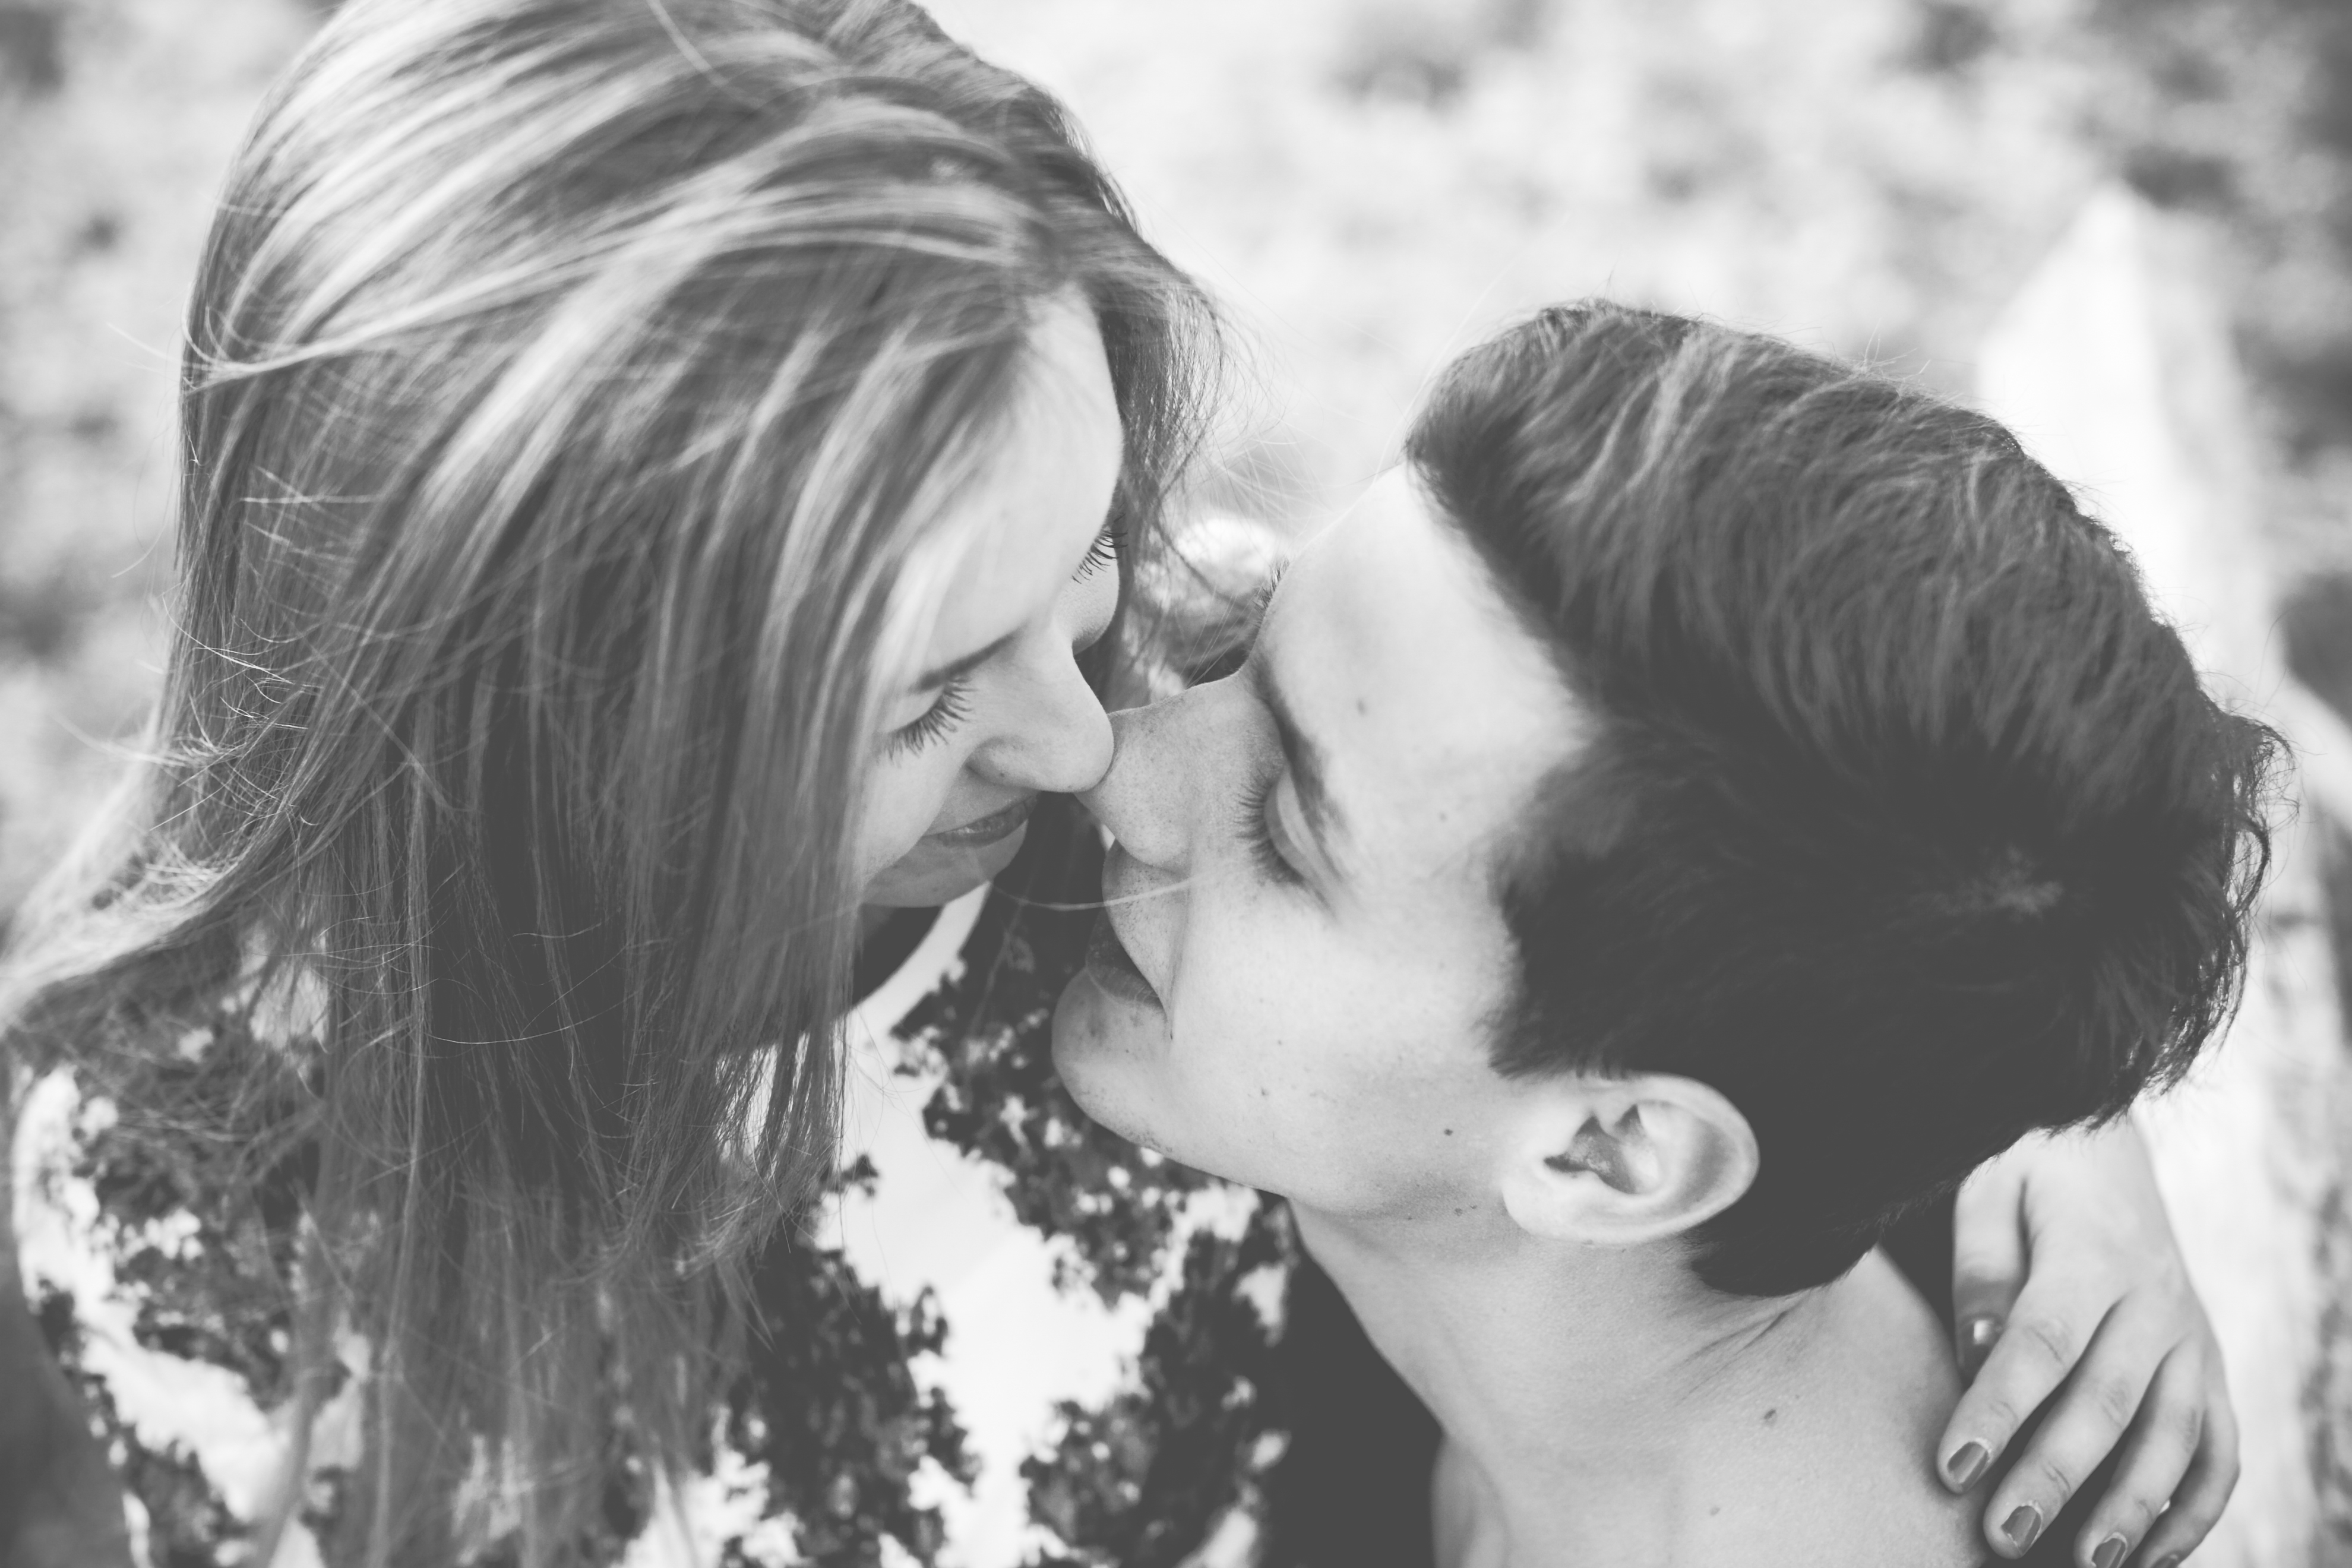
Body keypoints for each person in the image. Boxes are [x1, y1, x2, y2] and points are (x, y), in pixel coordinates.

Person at [0, 4, 2237, 1565]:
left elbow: (1750, 860)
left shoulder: (1165, 692)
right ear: (546, 744)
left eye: (1084, 555)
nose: (1098, 736)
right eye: (918, 699)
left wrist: (2012, 1117)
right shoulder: (200, 1184)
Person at [1055, 302, 2270, 1568]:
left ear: (1613, 1152)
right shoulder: (1842, 1077)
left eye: (1282, 832)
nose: (1110, 759)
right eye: (1251, 640)